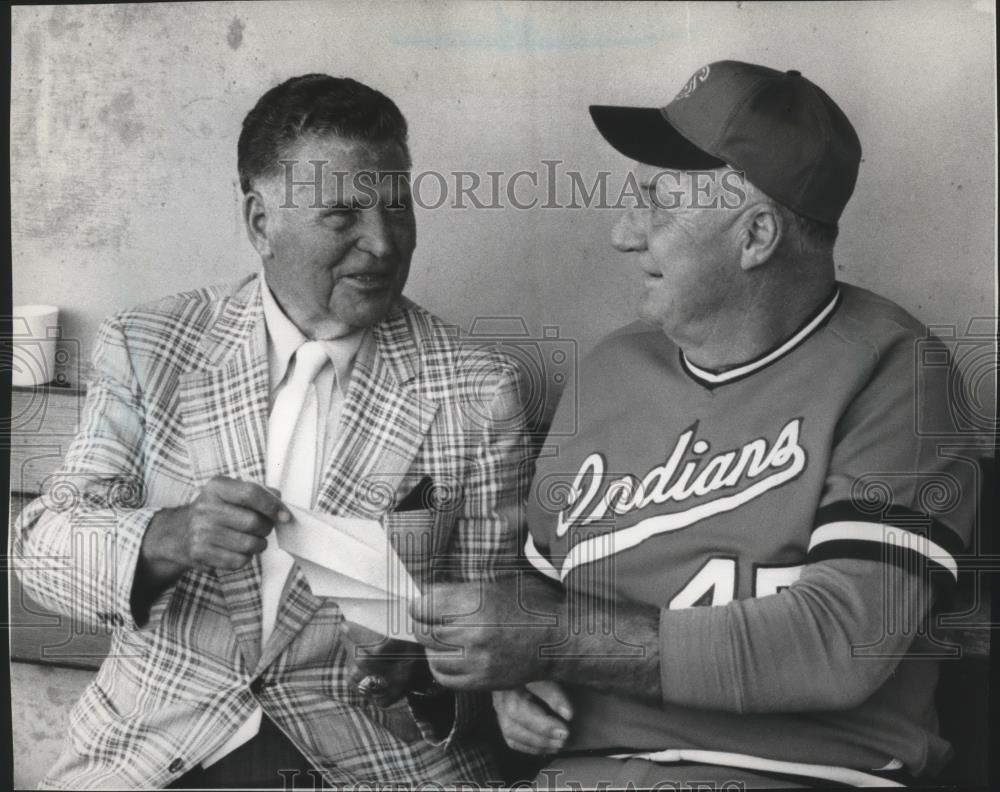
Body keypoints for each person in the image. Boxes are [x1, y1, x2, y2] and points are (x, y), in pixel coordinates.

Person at [411, 60, 979, 788]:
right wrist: (509, 676)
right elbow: (535, 595)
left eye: (657, 202)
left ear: (756, 236)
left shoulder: (898, 373)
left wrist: (553, 645)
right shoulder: (611, 369)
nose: (623, 234)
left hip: (788, 775)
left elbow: (842, 642)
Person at [13, 74, 530, 789]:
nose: (382, 242)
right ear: (261, 222)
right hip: (153, 752)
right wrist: (167, 537)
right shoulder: (151, 343)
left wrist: (423, 672)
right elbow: (42, 546)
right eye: (343, 214)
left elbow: (497, 637)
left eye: (397, 207)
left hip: (378, 763)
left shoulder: (477, 387)